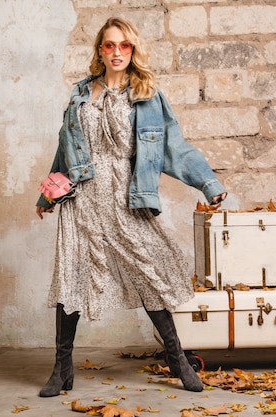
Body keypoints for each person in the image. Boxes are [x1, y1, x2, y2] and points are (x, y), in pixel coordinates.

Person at [35, 16, 227, 397]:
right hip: (83, 199)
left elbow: (174, 146)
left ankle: (177, 358)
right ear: (100, 51)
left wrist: (208, 183)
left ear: (133, 50)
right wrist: (49, 194)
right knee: (72, 276)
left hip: (127, 196)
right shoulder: (80, 95)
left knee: (148, 273)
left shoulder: (147, 95)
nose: (117, 52)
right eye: (109, 45)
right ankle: (61, 369)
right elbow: (66, 151)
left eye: (125, 45)